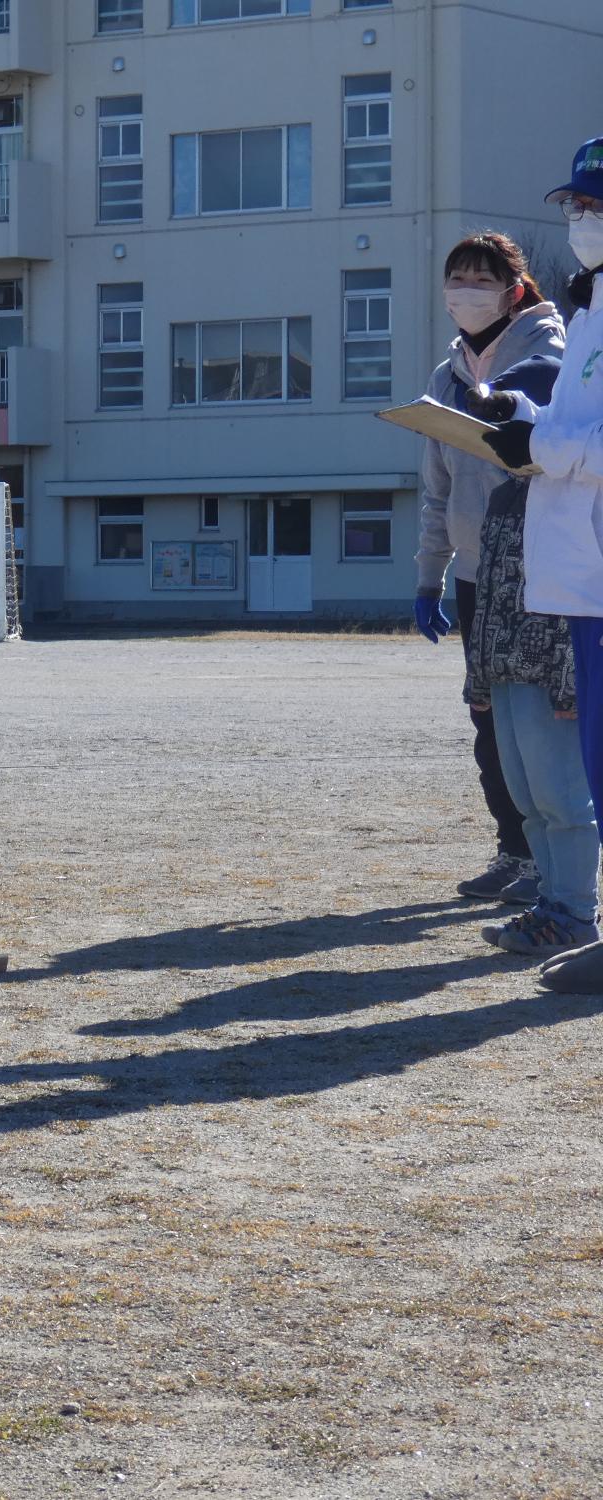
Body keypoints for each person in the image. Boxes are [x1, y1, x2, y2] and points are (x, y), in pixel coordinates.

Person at [482, 137, 603, 992]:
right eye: (577, 206)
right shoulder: (593, 309)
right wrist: (526, 412)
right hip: (581, 575)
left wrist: (546, 445)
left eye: (595, 206)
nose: (581, 220)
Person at [414, 232, 566, 906]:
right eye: (458, 280)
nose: (467, 292)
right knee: (489, 721)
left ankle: (555, 864)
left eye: (482, 279)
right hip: (478, 573)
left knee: (544, 721)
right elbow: (437, 489)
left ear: (513, 287)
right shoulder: (445, 375)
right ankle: (513, 849)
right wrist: (430, 576)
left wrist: (503, 403)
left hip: (544, 566)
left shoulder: (550, 348)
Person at [462, 361, 594, 957]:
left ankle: (575, 912)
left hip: (550, 675)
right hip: (506, 672)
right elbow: (487, 592)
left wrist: (574, 684)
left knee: (564, 800)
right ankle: (549, 901)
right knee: (528, 801)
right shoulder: (506, 496)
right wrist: (479, 675)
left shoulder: (576, 499)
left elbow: (581, 596)